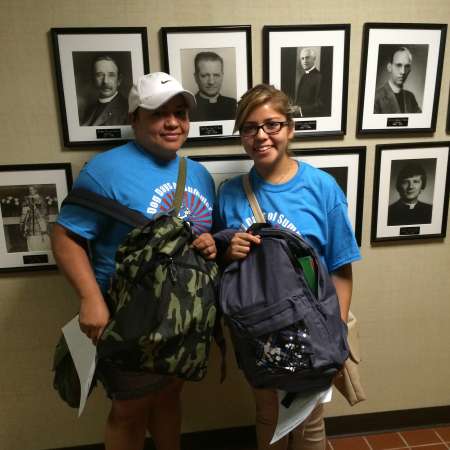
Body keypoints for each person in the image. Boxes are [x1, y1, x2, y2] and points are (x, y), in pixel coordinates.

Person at [51, 72, 217, 450]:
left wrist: (208, 243)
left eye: (180, 112)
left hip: (183, 320)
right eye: (159, 113)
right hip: (129, 318)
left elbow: (200, 236)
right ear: (134, 119)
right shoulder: (105, 170)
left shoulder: (200, 175)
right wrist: (90, 298)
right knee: (128, 412)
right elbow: (65, 237)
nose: (173, 122)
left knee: (169, 399)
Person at [215, 84, 361, 450]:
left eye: (272, 125)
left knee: (310, 421)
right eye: (250, 128)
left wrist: (336, 330)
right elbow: (220, 266)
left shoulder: (321, 188)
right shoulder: (230, 193)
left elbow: (341, 268)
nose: (261, 136)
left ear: (290, 129)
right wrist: (227, 249)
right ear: (242, 136)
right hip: (258, 333)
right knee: (268, 416)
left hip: (313, 331)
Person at [81, 55, 129, 126]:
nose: (105, 81)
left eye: (111, 75)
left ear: (119, 80)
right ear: (93, 79)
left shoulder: (127, 109)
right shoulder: (89, 109)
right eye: (99, 75)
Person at [189, 51, 237, 122]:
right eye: (204, 76)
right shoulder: (188, 107)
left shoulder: (233, 105)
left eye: (216, 75)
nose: (211, 82)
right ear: (196, 77)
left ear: (222, 76)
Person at [374, 47, 421, 114]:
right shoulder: (376, 97)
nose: (403, 71)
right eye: (398, 65)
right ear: (389, 67)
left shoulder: (410, 97)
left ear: (410, 70)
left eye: (407, 66)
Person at [387, 162, 433, 226]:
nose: (411, 186)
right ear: (399, 186)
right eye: (406, 182)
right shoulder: (388, 212)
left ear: (422, 186)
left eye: (415, 182)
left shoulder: (430, 210)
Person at [294, 48, 325, 117]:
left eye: (307, 58)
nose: (304, 61)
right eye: (302, 58)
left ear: (314, 58)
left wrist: (300, 110)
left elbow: (320, 104)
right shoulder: (304, 76)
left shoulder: (320, 77)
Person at [20, 185, 50, 251]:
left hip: (39, 220)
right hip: (30, 221)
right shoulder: (26, 199)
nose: (30, 191)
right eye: (29, 190)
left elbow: (44, 210)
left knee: (42, 241)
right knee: (31, 239)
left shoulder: (40, 198)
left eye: (32, 189)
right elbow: (24, 211)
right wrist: (26, 209)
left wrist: (36, 209)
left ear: (36, 190)